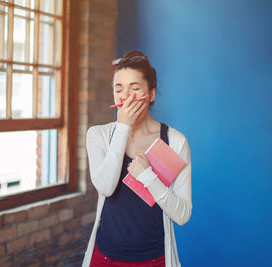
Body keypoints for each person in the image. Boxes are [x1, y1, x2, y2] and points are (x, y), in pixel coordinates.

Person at [82, 50, 192, 267]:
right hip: (104, 258)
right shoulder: (98, 135)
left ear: (151, 94)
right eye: (118, 89)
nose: (125, 97)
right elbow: (105, 187)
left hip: (155, 259)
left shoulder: (175, 141)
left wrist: (148, 177)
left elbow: (182, 215)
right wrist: (123, 127)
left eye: (134, 88)